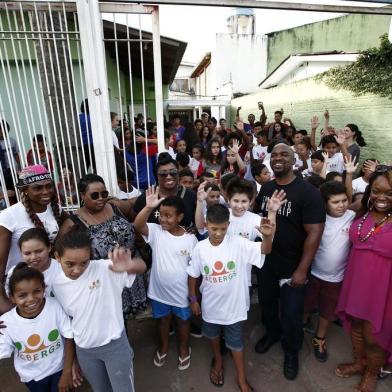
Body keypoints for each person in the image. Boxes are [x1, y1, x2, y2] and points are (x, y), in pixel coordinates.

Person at [187, 202, 278, 392]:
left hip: (235, 308)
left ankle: (241, 378)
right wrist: (194, 300)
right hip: (210, 307)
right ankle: (218, 361)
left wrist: (267, 237)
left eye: (222, 228)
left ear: (228, 225)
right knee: (212, 335)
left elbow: (265, 250)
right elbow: (193, 275)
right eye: (213, 229)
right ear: (206, 223)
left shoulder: (239, 243)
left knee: (236, 344)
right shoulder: (200, 248)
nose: (218, 233)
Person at [254, 143, 325, 380]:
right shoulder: (266, 189)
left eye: (284, 154)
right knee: (267, 304)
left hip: (293, 267)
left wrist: (302, 270)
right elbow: (261, 221)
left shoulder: (308, 193)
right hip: (267, 263)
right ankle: (273, 333)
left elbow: (315, 233)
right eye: (274, 155)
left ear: (294, 159)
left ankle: (291, 350)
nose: (278, 158)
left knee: (293, 314)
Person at [52, 228, 146, 392]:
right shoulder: (56, 284)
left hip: (115, 347)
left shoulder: (105, 269)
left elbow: (142, 266)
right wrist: (72, 360)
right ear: (57, 257)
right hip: (85, 351)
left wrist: (130, 265)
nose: (77, 270)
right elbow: (67, 320)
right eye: (70, 264)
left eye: (84, 262)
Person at [335, 165, 392, 392]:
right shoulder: (361, 208)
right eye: (377, 190)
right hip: (356, 282)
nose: (382, 197)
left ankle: (372, 373)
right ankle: (360, 363)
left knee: (374, 336)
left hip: (384, 289)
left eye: (389, 193)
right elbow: (338, 207)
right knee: (356, 326)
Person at [59, 173, 147, 317]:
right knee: (114, 318)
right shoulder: (73, 223)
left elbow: (136, 217)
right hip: (106, 281)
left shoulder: (114, 207)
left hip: (131, 271)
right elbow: (62, 252)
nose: (101, 199)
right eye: (94, 195)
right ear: (82, 196)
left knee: (130, 317)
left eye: (104, 193)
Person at [134, 191, 198, 370]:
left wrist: (194, 297)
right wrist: (148, 207)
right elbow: (138, 226)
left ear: (180, 217)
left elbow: (194, 271)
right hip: (159, 293)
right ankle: (164, 346)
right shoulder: (156, 232)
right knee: (162, 321)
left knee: (183, 322)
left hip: (182, 295)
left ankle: (184, 349)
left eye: (168, 216)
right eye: (160, 215)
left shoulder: (190, 239)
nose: (163, 219)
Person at [0, 263, 75, 392]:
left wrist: (67, 372)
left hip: (59, 369)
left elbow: (69, 337)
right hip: (31, 377)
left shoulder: (55, 306)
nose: (31, 299)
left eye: (36, 291)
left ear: (44, 289)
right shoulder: (6, 322)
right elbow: (3, 351)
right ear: (12, 298)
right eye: (22, 295)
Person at [303, 181, 356, 362]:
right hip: (313, 273)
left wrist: (349, 174)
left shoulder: (352, 216)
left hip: (336, 278)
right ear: (325, 203)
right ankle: (303, 323)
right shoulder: (318, 218)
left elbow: (363, 202)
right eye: (335, 202)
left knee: (327, 310)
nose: (341, 205)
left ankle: (320, 338)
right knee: (306, 303)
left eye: (344, 201)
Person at [0, 165, 63, 281]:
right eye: (37, 188)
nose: (45, 191)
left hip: (50, 277)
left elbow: (71, 223)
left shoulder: (55, 208)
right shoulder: (8, 216)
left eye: (49, 186)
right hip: (19, 282)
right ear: (24, 190)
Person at [133, 153, 196, 229]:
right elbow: (135, 222)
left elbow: (198, 223)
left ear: (178, 173)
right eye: (163, 174)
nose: (169, 176)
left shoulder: (190, 195)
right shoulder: (148, 196)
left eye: (173, 172)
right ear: (157, 176)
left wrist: (194, 228)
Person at [4, 228, 61, 300]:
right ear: (21, 252)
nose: (33, 257)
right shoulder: (14, 272)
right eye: (27, 253)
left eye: (39, 251)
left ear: (49, 248)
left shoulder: (62, 269)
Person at [0, 120, 20, 192]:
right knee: (7, 190)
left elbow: (16, 155)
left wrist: (19, 167)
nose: (1, 134)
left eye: (3, 131)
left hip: (13, 169)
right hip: (2, 172)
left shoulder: (12, 141)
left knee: (16, 187)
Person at [79, 99, 95, 171]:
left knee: (83, 169)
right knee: (98, 168)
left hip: (82, 146)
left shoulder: (78, 118)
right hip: (93, 146)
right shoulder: (94, 117)